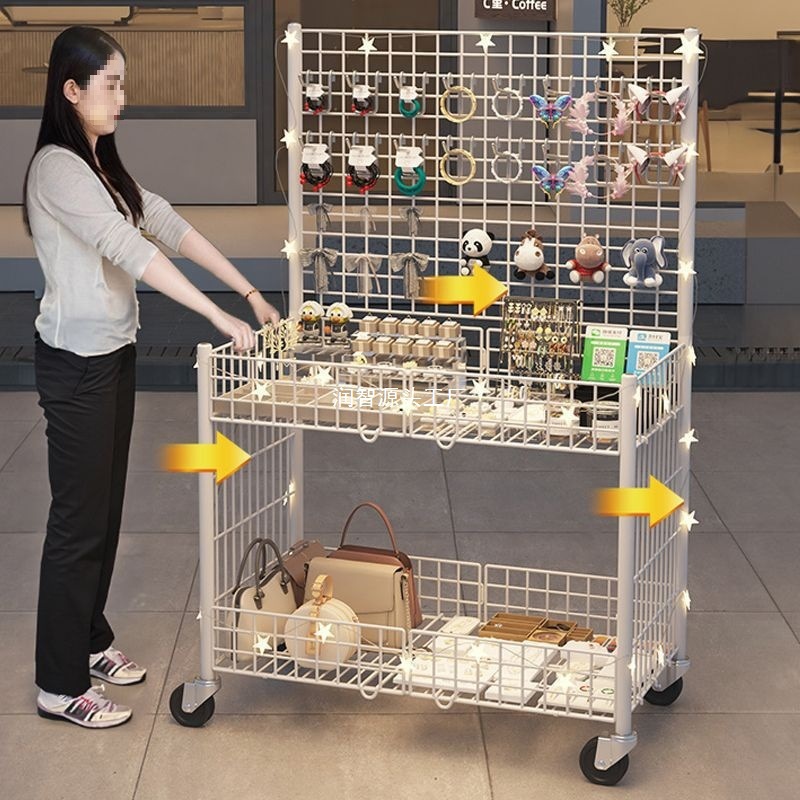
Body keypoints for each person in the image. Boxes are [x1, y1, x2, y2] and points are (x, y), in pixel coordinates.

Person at [22, 25, 281, 729]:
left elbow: (165, 224)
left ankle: (89, 640)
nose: (121, 98)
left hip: (111, 355)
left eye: (122, 84)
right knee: (78, 523)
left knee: (104, 513)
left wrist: (249, 292)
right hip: (75, 365)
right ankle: (58, 685)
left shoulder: (99, 163)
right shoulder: (57, 169)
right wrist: (214, 314)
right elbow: (130, 251)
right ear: (71, 90)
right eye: (110, 85)